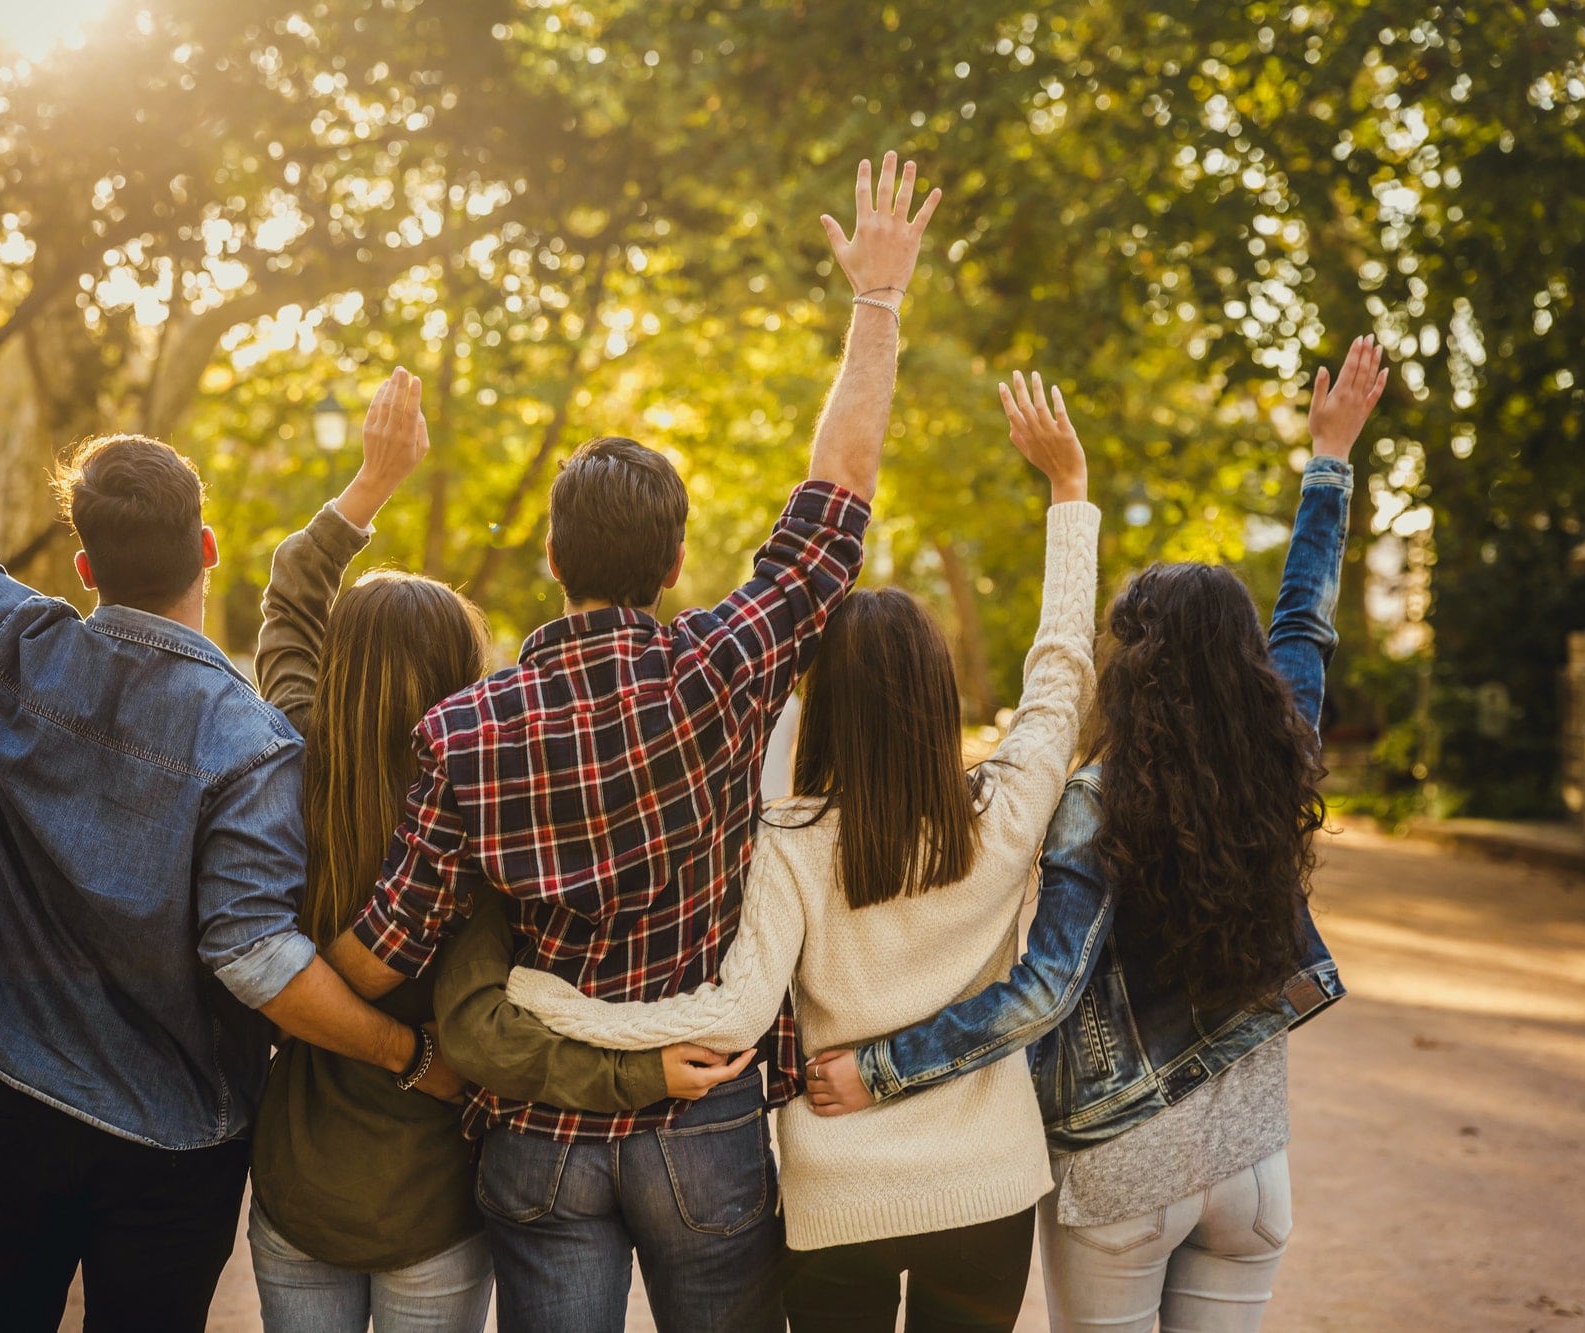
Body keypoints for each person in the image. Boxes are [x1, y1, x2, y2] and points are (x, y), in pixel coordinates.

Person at [0, 225, 460, 1333]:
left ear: (86, 566)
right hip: (176, 1146)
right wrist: (407, 1051)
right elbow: (251, 951)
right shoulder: (251, 740)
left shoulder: (7, 647)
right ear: (210, 548)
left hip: (11, 1108)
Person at [321, 152, 941, 1333]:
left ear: (552, 560)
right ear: (670, 567)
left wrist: (276, 986)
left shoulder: (463, 733)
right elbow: (838, 491)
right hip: (701, 1128)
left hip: (538, 1143)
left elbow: (384, 946)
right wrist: (876, 302)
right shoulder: (723, 666)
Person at [803, 338, 1389, 1331]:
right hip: (1251, 1164)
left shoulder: (1094, 799)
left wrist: (878, 1067)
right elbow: (1306, 622)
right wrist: (1327, 460)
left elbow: (1039, 992)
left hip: (1125, 1168)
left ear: (1133, 668)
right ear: (1240, 662)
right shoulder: (1275, 748)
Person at [509, 373, 1103, 1332]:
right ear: (939, 696)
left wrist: (551, 1000)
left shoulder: (787, 838)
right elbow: (1062, 665)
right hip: (986, 1187)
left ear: (823, 703)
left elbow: (732, 1013)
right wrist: (1068, 492)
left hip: (839, 1193)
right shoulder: (1004, 811)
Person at [243, 370, 750, 1332]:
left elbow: (293, 594)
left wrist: (372, 481)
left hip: (299, 1178)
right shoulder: (481, 815)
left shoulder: (296, 754)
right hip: (428, 1195)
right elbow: (485, 1033)